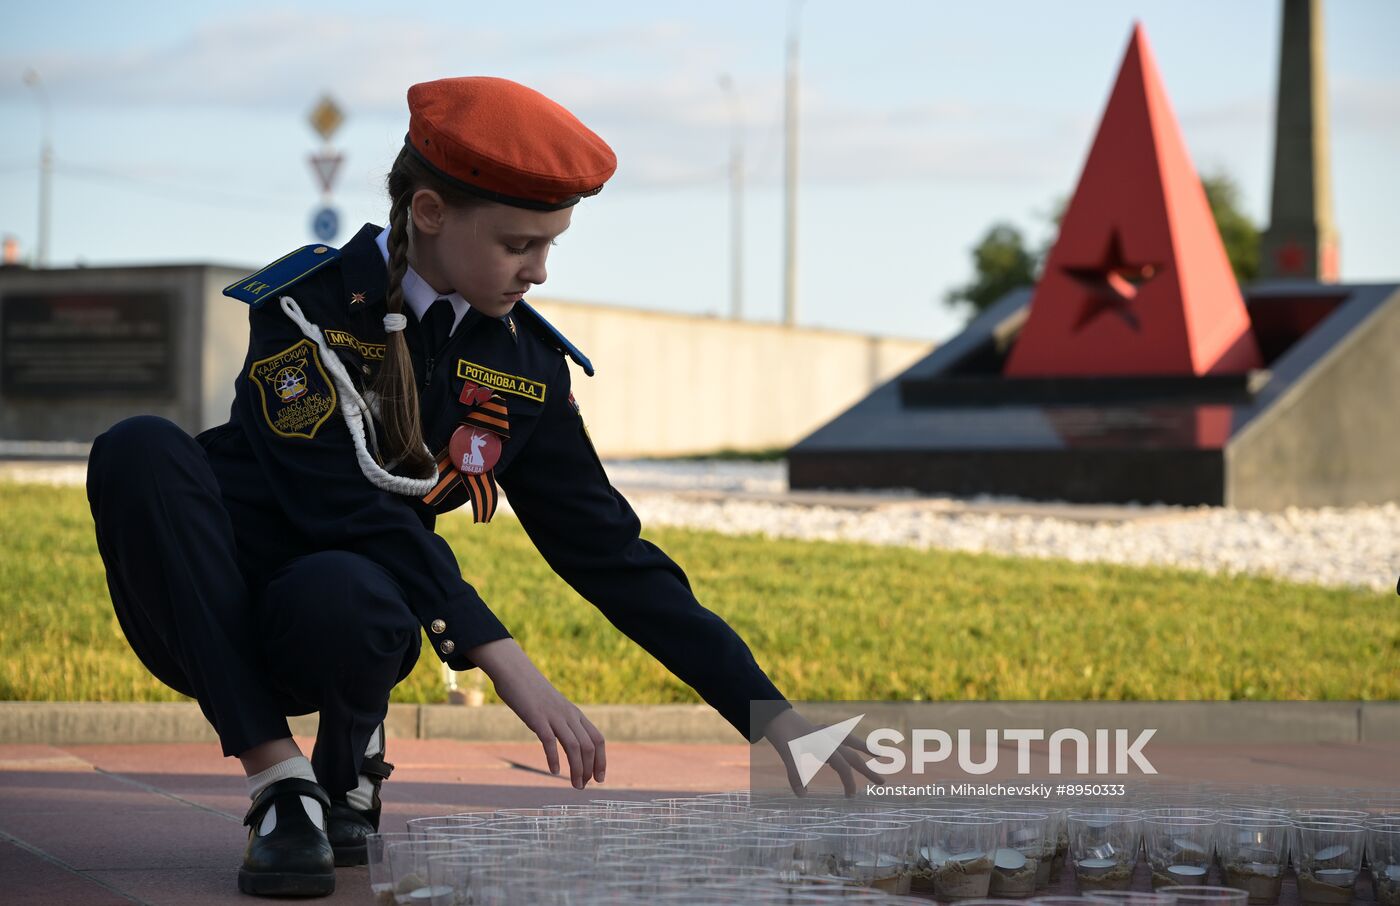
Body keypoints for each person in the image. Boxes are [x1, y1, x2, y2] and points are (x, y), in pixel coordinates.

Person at [86, 76, 877, 898]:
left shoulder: (524, 366)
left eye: (550, 246)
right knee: (138, 449)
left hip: (337, 622)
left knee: (351, 588)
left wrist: (770, 717)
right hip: (206, 606)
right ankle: (280, 784)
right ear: (429, 212)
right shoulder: (305, 308)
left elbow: (610, 553)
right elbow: (338, 504)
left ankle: (349, 759)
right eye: (517, 245)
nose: (537, 271)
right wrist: (505, 662)